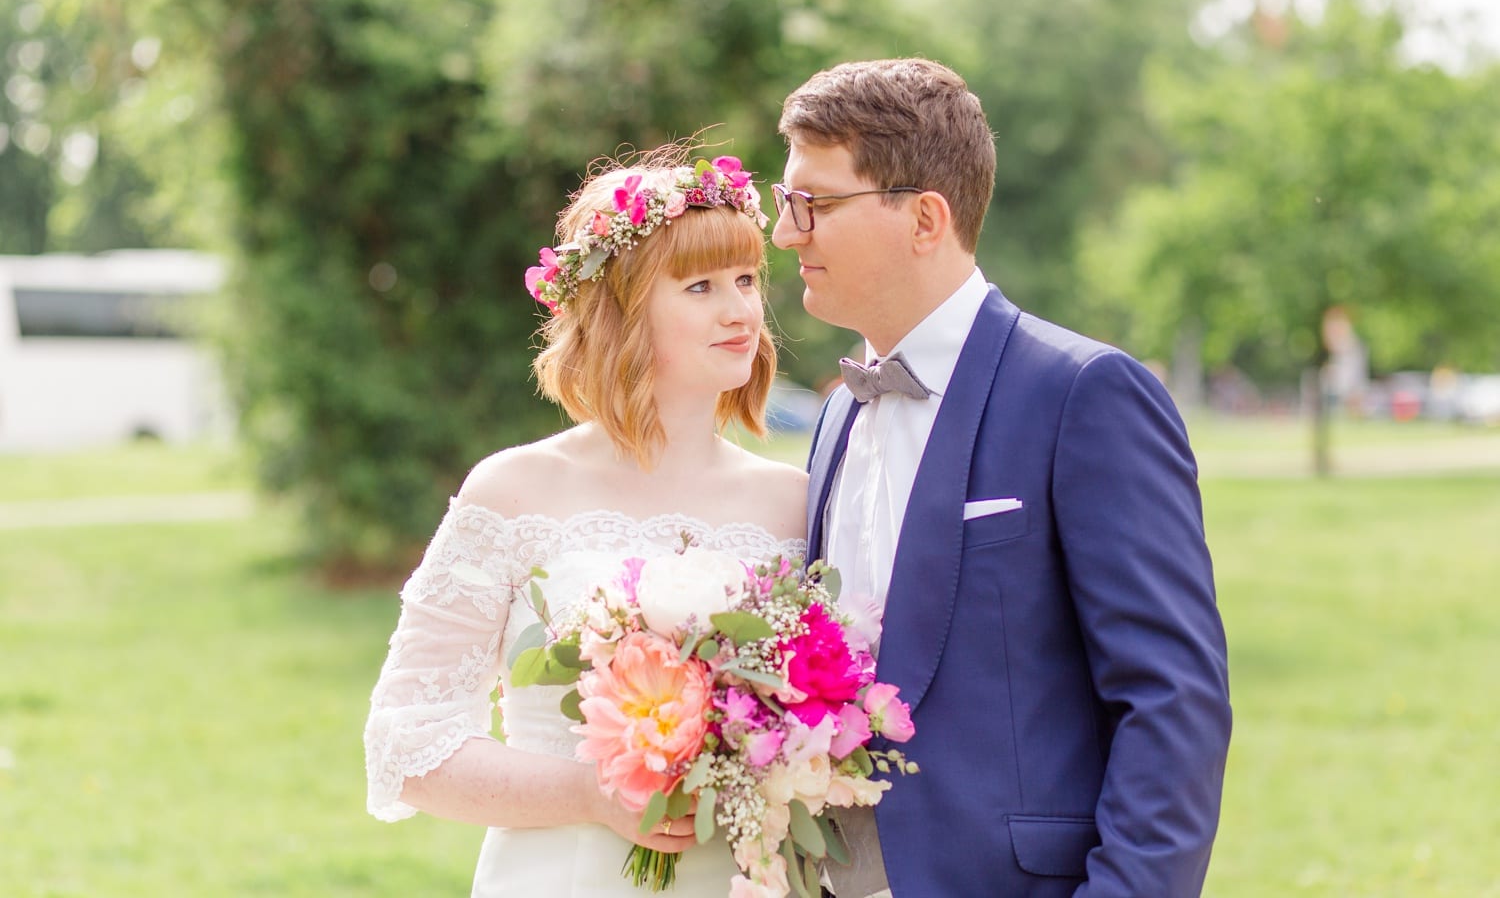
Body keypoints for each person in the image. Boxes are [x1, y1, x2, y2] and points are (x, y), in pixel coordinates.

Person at [771, 59, 1232, 897]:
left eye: (815, 204)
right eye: (785, 203)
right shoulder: (836, 415)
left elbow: (1171, 703)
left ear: (923, 218)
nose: (787, 232)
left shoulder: (1083, 393)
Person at [363, 147, 808, 896]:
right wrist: (591, 796)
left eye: (745, 279)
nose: (738, 309)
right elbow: (406, 743)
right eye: (699, 286)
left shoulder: (794, 503)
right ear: (622, 312)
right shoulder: (513, 492)